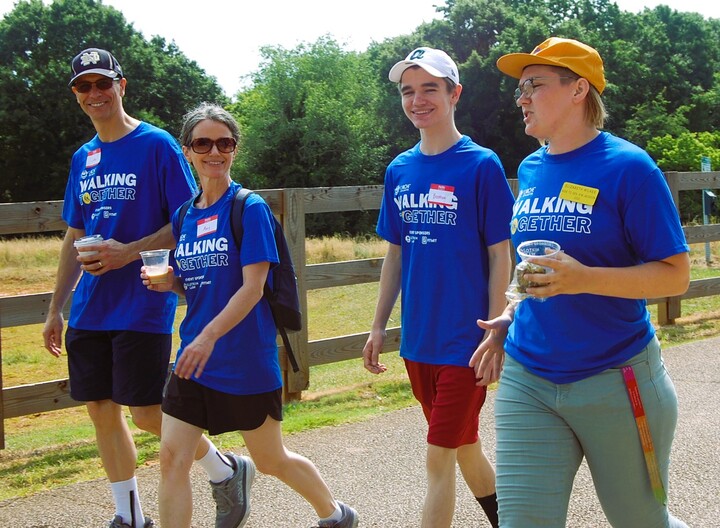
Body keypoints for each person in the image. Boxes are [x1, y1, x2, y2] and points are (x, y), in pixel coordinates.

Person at [471, 37, 690, 527]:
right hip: (529, 378)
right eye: (519, 89)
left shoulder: (630, 168)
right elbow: (534, 268)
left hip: (617, 377)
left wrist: (584, 279)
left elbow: (676, 275)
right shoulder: (530, 168)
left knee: (641, 522)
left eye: (535, 85)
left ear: (579, 90)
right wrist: (509, 314)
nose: (521, 98)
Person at [42, 48, 250, 528]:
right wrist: (57, 306)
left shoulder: (156, 145)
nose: (95, 94)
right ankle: (129, 516)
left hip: (142, 299)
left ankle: (225, 470)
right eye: (83, 87)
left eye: (102, 83)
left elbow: (189, 218)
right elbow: (75, 232)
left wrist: (128, 252)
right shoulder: (83, 157)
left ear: (121, 85)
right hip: (90, 308)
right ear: (76, 95)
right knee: (99, 408)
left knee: (147, 412)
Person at [142, 102, 358, 528]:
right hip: (193, 362)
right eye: (203, 142)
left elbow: (252, 287)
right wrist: (173, 283)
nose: (214, 151)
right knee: (171, 459)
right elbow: (203, 284)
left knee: (272, 459)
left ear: (235, 149)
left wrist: (208, 337)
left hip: (243, 360)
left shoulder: (248, 208)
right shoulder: (185, 215)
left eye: (224, 142)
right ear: (187, 151)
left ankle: (336, 515)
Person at [363, 47, 514, 528]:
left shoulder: (481, 164)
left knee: (437, 458)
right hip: (419, 342)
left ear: (454, 94)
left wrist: (495, 333)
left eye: (430, 88)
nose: (418, 99)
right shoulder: (399, 170)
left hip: (465, 344)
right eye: (408, 91)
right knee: (464, 446)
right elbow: (397, 252)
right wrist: (377, 325)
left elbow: (500, 255)